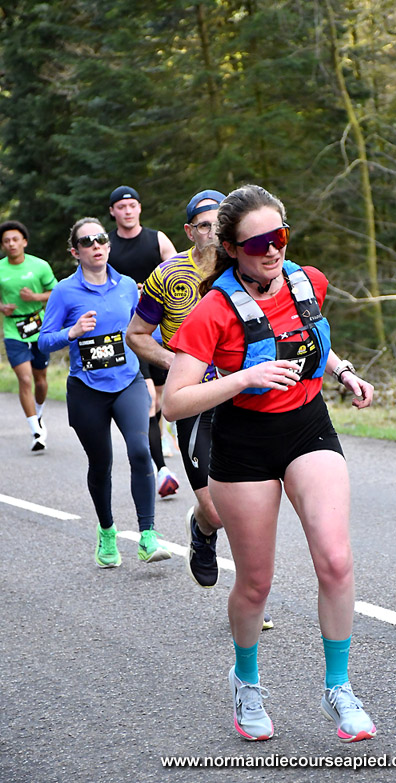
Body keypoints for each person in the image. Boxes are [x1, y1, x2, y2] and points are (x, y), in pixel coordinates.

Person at [161, 184, 376, 743]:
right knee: (256, 583)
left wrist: (342, 371)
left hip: (307, 426)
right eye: (258, 243)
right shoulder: (212, 312)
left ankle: (339, 687)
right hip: (243, 444)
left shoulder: (309, 282)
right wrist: (244, 378)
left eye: (279, 236)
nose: (273, 249)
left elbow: (305, 339)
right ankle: (247, 682)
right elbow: (174, 403)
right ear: (232, 249)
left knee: (335, 560)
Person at [126, 190, 274, 629]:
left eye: (218, 224)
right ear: (190, 231)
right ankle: (202, 525)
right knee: (218, 510)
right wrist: (177, 365)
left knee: (250, 507)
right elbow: (137, 334)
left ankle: (252, 597)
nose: (212, 232)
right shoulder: (168, 275)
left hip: (246, 398)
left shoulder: (250, 269)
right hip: (195, 402)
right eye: (204, 225)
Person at [38, 217, 171, 568]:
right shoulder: (65, 292)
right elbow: (44, 341)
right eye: (87, 241)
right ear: (75, 252)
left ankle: (147, 536)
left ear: (108, 246)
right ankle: (107, 531)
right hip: (87, 389)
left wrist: (173, 344)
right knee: (101, 464)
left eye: (100, 239)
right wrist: (72, 332)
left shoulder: (127, 285)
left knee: (140, 451)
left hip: (128, 382)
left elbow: (145, 332)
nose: (96, 246)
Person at [107, 185, 180, 499]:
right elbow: (95, 281)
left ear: (139, 208)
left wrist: (152, 290)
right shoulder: (106, 245)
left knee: (161, 395)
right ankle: (160, 469)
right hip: (127, 333)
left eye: (132, 205)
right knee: (149, 397)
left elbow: (180, 275)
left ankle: (161, 433)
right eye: (121, 207)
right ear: (113, 211)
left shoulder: (157, 239)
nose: (127, 211)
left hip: (160, 329)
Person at [0, 220, 57, 452]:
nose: (11, 244)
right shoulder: (1, 269)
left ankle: (39, 412)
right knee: (24, 379)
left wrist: (35, 297)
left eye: (15, 239)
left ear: (24, 241)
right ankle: (36, 432)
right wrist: (2, 307)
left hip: (38, 326)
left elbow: (55, 292)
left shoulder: (40, 266)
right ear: (2, 245)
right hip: (13, 329)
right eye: (6, 241)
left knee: (40, 380)